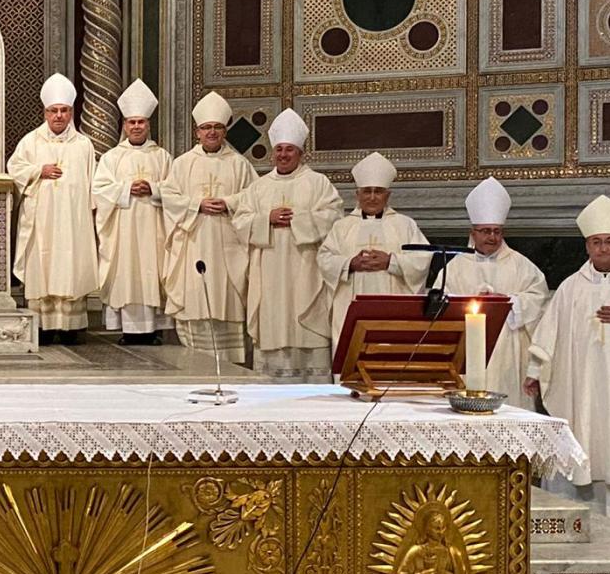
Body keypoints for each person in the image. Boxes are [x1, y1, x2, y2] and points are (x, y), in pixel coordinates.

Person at [232, 108, 344, 381]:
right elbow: (239, 221)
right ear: (273, 153)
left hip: (306, 270)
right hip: (269, 271)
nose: (283, 155)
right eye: (279, 149)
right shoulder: (258, 187)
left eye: (289, 150)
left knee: (306, 323)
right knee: (273, 322)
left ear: (300, 153)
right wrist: (266, 219)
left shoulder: (318, 183)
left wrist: (298, 220)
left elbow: (334, 217)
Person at [525, 194, 610, 510]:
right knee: (583, 429)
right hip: (582, 384)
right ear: (587, 246)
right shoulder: (570, 287)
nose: (603, 248)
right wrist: (534, 373)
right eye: (596, 242)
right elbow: (549, 334)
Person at [160, 91, 256, 363]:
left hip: (228, 245)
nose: (211, 132)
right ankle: (194, 362)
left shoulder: (240, 165)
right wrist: (196, 205)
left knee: (227, 300)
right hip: (195, 243)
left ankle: (232, 366)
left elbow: (253, 198)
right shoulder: (182, 164)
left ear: (225, 131)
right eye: (206, 128)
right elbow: (169, 197)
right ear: (197, 132)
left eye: (216, 127)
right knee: (196, 301)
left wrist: (227, 202)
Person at [7, 73, 98, 345]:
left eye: (64, 111)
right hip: (42, 219)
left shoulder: (84, 145)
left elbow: (93, 183)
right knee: (43, 264)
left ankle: (70, 328)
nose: (58, 115)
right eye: (53, 111)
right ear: (45, 112)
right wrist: (39, 170)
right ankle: (44, 327)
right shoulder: (30, 142)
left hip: (73, 221)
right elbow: (15, 169)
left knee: (70, 265)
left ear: (71, 112)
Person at [444, 177, 548, 411]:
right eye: (485, 231)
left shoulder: (522, 265)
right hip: (466, 352)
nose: (492, 237)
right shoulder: (455, 266)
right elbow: (441, 304)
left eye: (497, 231)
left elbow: (539, 300)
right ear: (473, 233)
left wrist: (509, 302)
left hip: (510, 352)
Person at [318, 152, 430, 346]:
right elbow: (324, 258)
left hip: (393, 310)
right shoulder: (342, 227)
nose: (372, 197)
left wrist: (391, 261)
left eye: (378, 191)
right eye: (366, 191)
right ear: (357, 194)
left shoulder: (405, 225)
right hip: (350, 308)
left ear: (387, 195)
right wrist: (351, 263)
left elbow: (422, 258)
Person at [93, 79, 172, 345]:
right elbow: (100, 189)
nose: (136, 126)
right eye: (131, 122)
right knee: (127, 274)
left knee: (152, 272)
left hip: (154, 229)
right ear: (124, 126)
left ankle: (153, 330)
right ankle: (128, 330)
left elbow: (174, 189)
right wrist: (127, 189)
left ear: (148, 125)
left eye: (141, 122)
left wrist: (153, 189)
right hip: (123, 230)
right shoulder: (112, 158)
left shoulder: (162, 157)